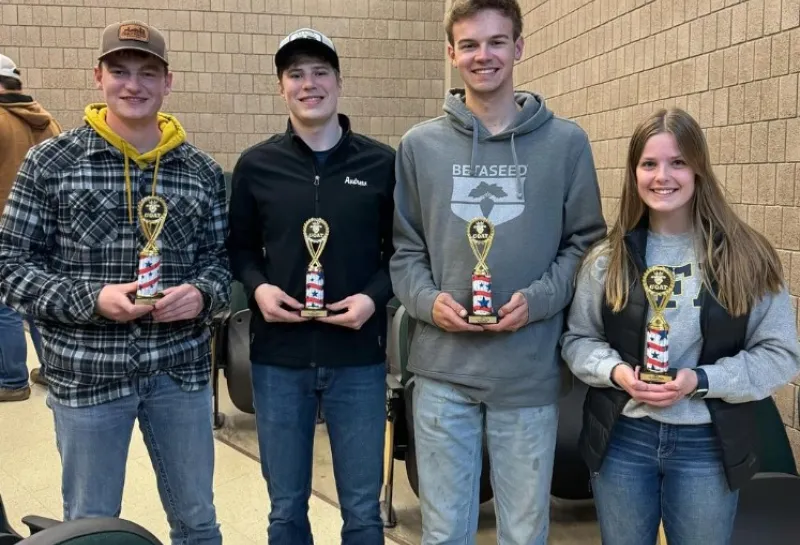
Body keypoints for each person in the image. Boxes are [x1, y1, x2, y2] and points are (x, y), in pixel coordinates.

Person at [0, 21, 230, 544]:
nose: (134, 85)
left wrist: (201, 295)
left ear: (167, 82)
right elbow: (10, 265)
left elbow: (221, 263)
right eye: (120, 71)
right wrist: (92, 299)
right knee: (90, 524)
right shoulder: (50, 162)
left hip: (180, 374)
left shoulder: (199, 171)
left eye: (148, 72)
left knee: (198, 521)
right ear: (98, 77)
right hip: (87, 376)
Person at [389, 0, 607, 543]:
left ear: (518, 47)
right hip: (442, 372)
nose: (482, 55)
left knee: (525, 531)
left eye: (495, 41)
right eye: (469, 44)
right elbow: (404, 249)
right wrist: (426, 301)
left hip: (527, 373)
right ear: (451, 53)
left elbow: (584, 243)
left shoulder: (566, 143)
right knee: (443, 532)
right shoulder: (419, 145)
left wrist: (536, 300)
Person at [561, 107, 800, 545]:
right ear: (634, 172)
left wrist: (700, 380)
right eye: (649, 164)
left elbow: (781, 353)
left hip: (707, 443)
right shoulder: (606, 258)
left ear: (699, 169)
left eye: (678, 162)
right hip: (623, 437)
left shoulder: (746, 256)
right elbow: (578, 339)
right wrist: (616, 372)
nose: (662, 176)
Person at [226, 28, 395, 545]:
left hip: (359, 360)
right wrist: (256, 288)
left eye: (320, 72)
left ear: (340, 82)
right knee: (285, 510)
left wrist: (372, 297)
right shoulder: (256, 166)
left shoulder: (382, 164)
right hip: (279, 358)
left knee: (364, 512)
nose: (309, 83)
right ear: (282, 88)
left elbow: (404, 253)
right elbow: (239, 248)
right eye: (296, 74)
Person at [0, 53, 58, 400]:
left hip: (5, 227)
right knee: (39, 301)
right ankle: (51, 370)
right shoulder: (47, 120)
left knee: (4, 305)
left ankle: (11, 380)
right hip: (46, 230)